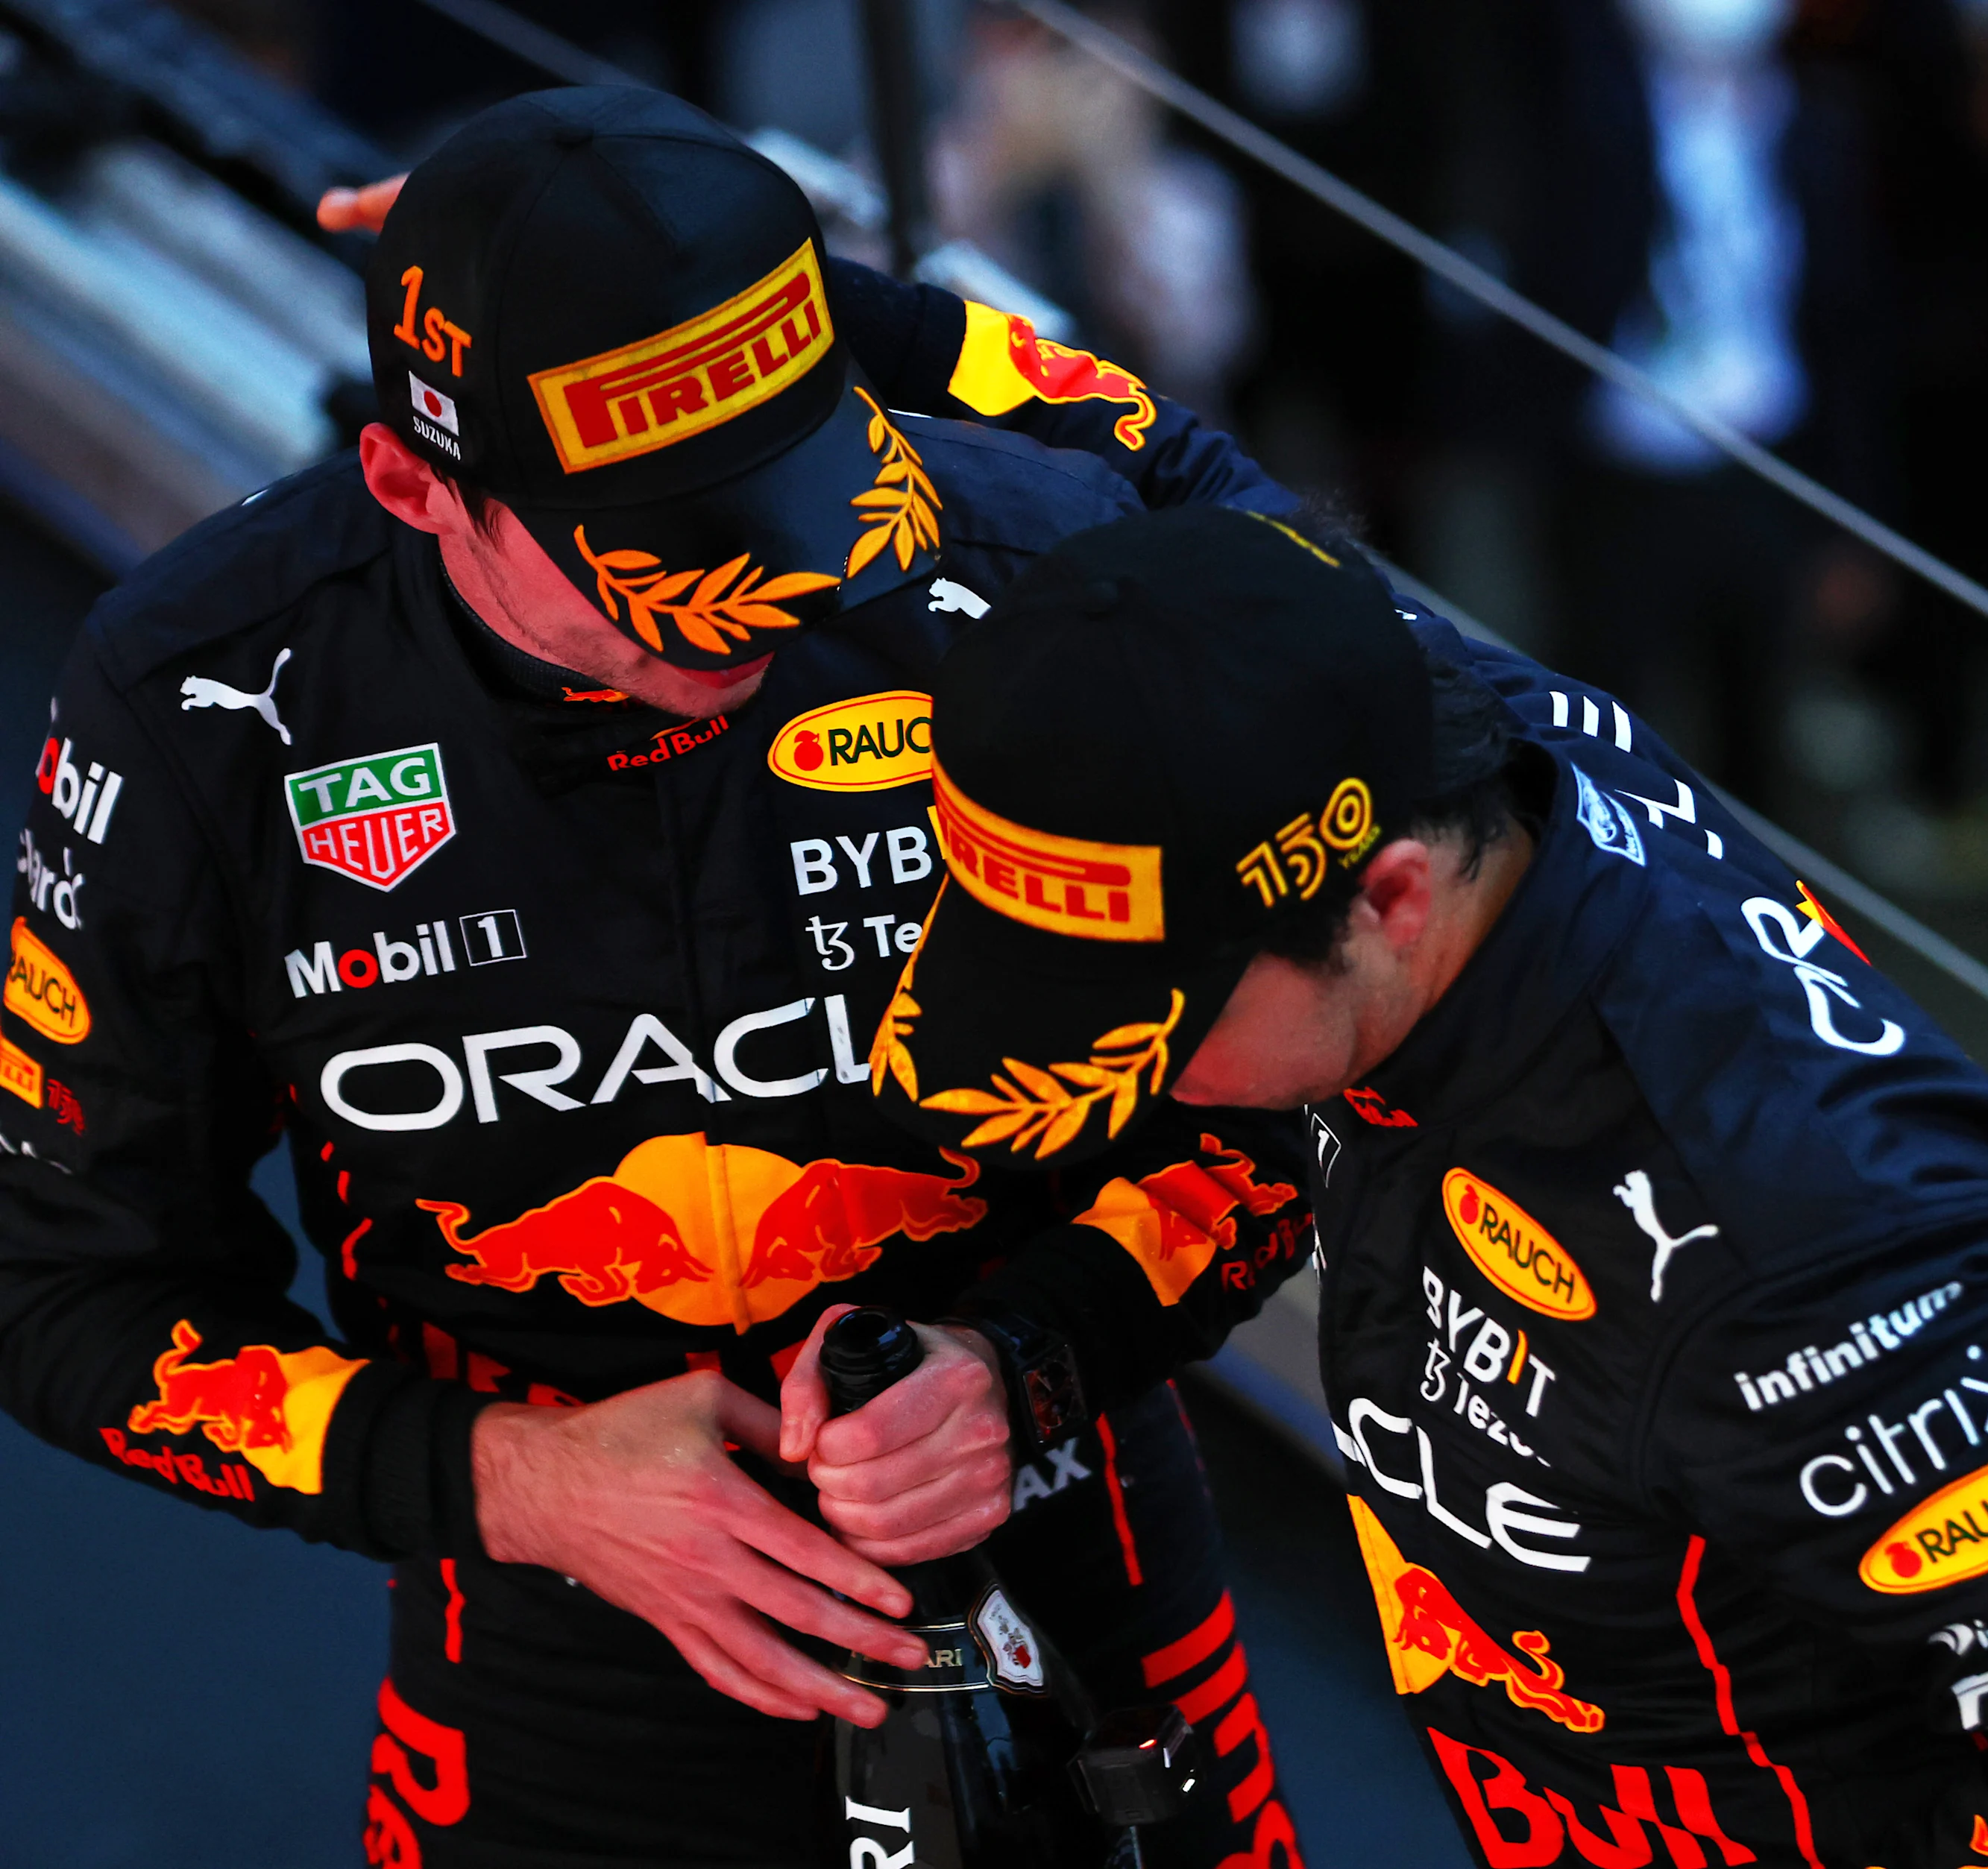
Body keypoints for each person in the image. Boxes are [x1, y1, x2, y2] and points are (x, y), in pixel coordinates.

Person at [0, 88, 1312, 1869]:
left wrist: (1028, 1362)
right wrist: (505, 1478)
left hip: (1074, 1560)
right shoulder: (202, 699)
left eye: (787, 495)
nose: (766, 592)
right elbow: (59, 1288)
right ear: (412, 482)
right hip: (554, 1654)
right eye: (675, 540)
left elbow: (1327, 1079)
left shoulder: (1029, 565)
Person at [855, 504, 1988, 1868]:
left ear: (1388, 897)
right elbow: (1148, 465)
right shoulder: (1383, 728)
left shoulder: (1805, 1254)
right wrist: (1022, 1354)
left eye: (1153, 1022)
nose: (1125, 1077)